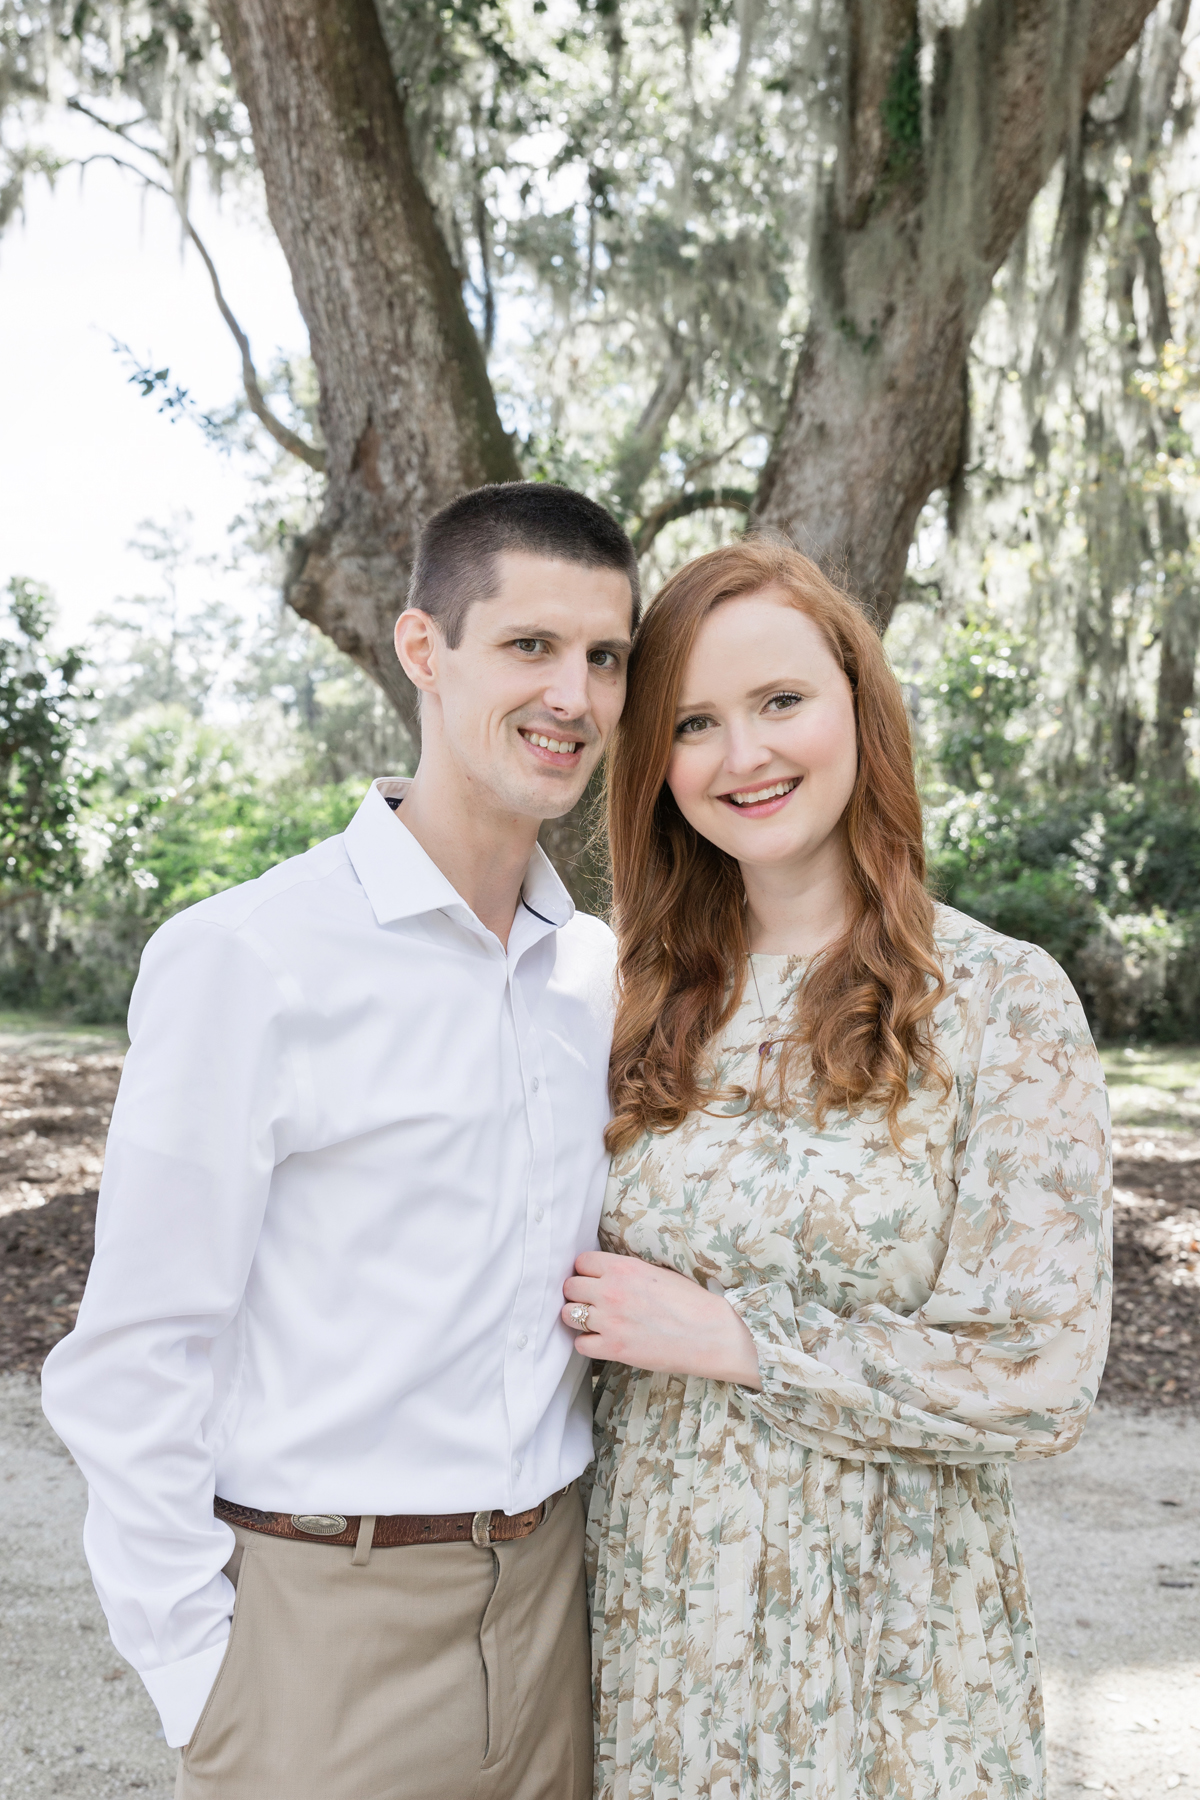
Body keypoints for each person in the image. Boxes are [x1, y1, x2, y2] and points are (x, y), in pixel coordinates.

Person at [41, 481, 639, 1800]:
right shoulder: (247, 958)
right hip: (327, 1634)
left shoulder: (594, 975)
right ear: (424, 650)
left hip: (559, 1612)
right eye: (531, 646)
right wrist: (208, 1689)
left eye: (606, 656)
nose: (575, 696)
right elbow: (136, 1355)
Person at [561, 538, 1112, 1800]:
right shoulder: (617, 1003)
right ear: (655, 767)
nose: (743, 756)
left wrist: (738, 1337)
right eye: (694, 723)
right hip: (658, 1638)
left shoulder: (996, 1000)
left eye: (781, 703)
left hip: (899, 1647)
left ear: (859, 706)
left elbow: (1039, 1372)